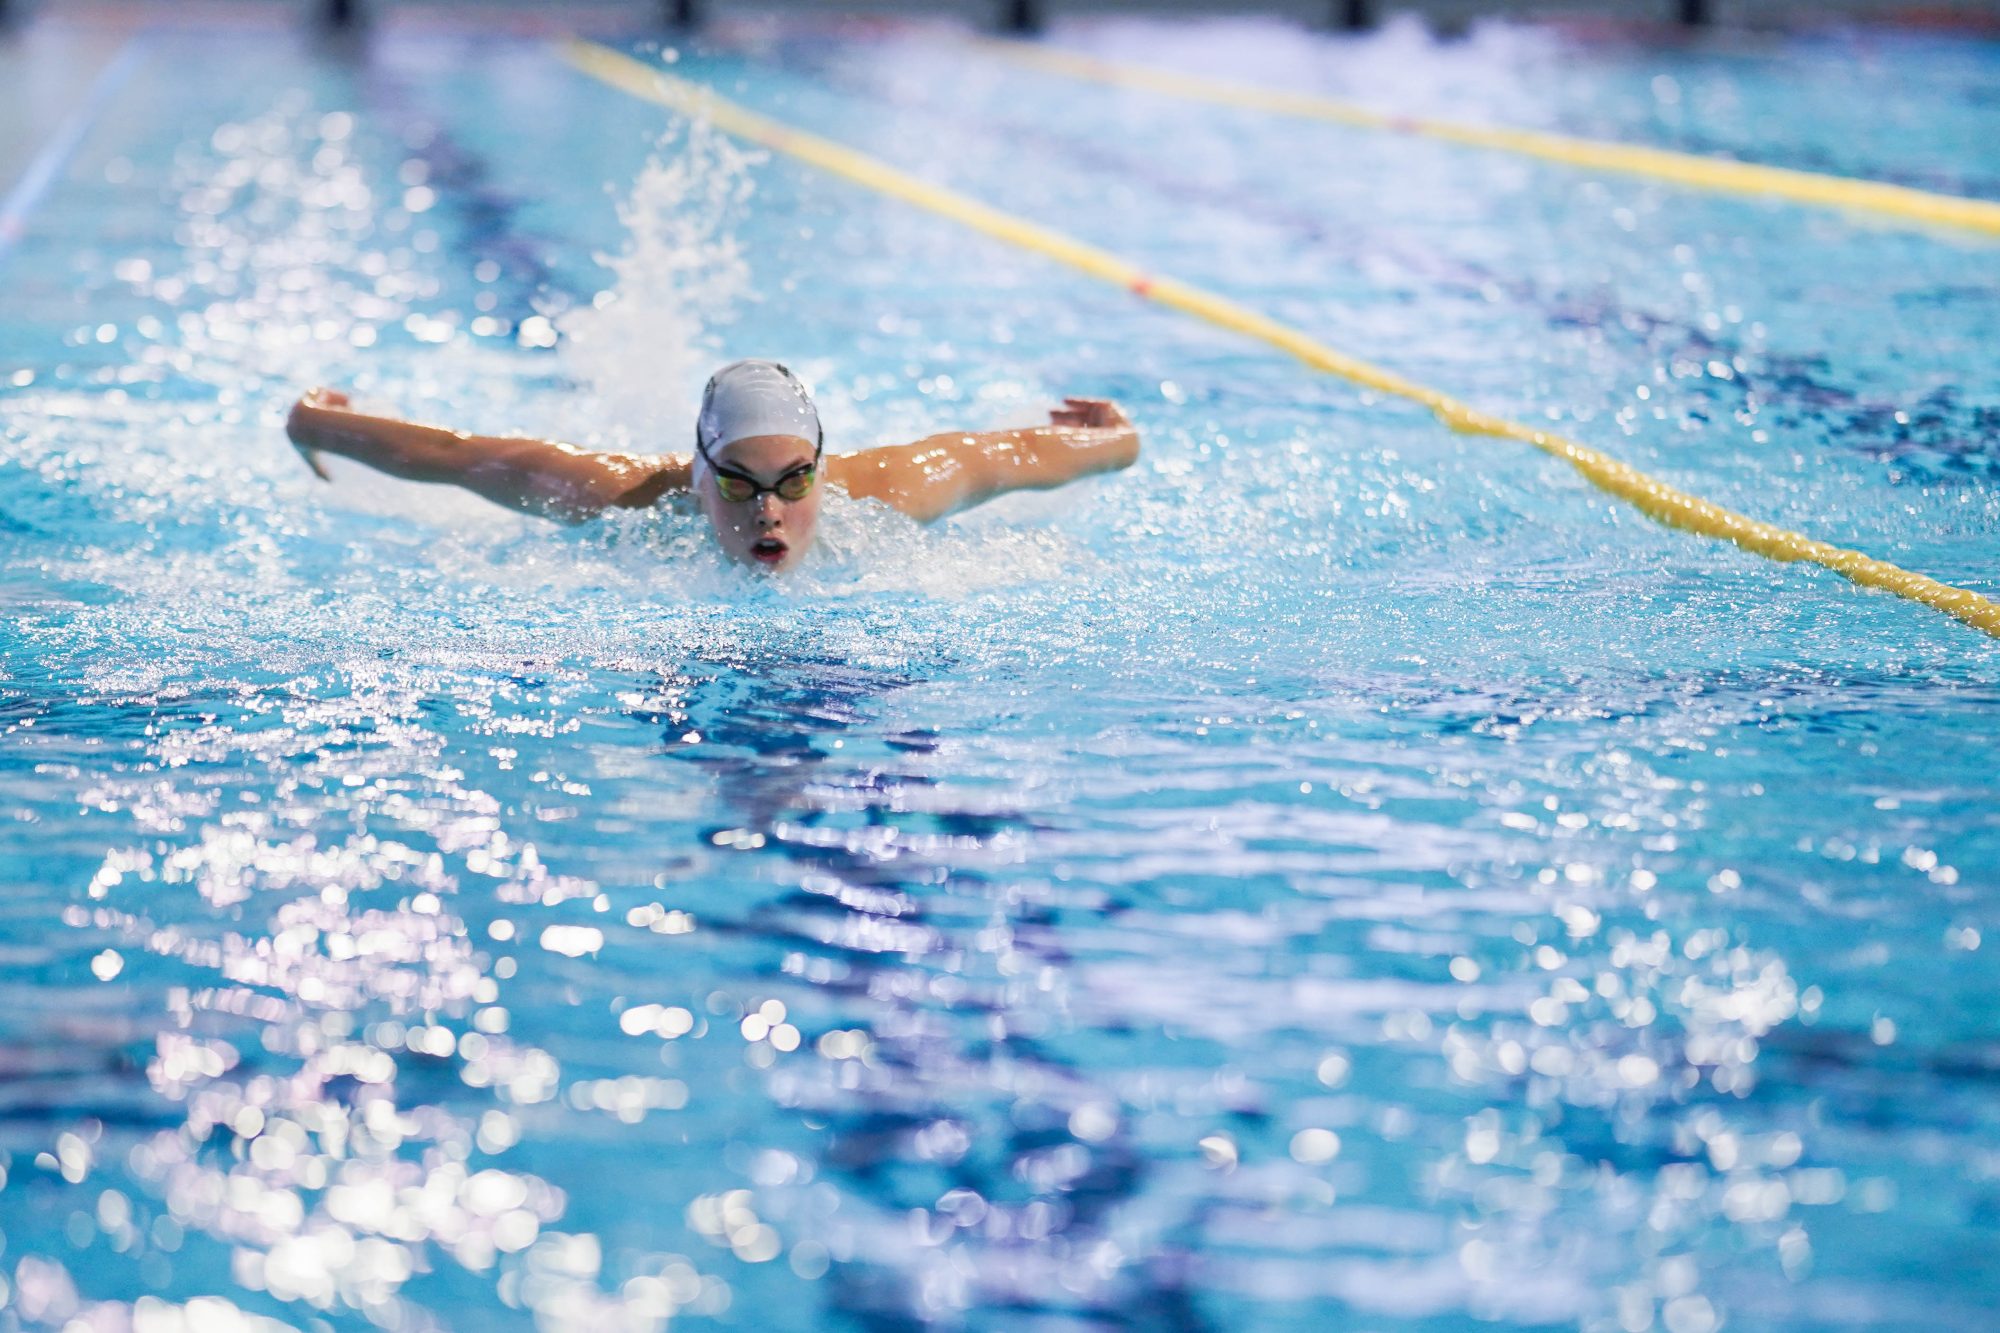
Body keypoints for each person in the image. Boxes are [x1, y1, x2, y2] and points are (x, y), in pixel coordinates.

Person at [284, 359, 1140, 572]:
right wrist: (315, 420)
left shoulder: (892, 491)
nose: (769, 513)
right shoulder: (618, 495)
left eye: (794, 482)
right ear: (696, 475)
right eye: (738, 483)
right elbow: (455, 456)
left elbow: (1020, 454)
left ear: (821, 468)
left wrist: (1116, 435)